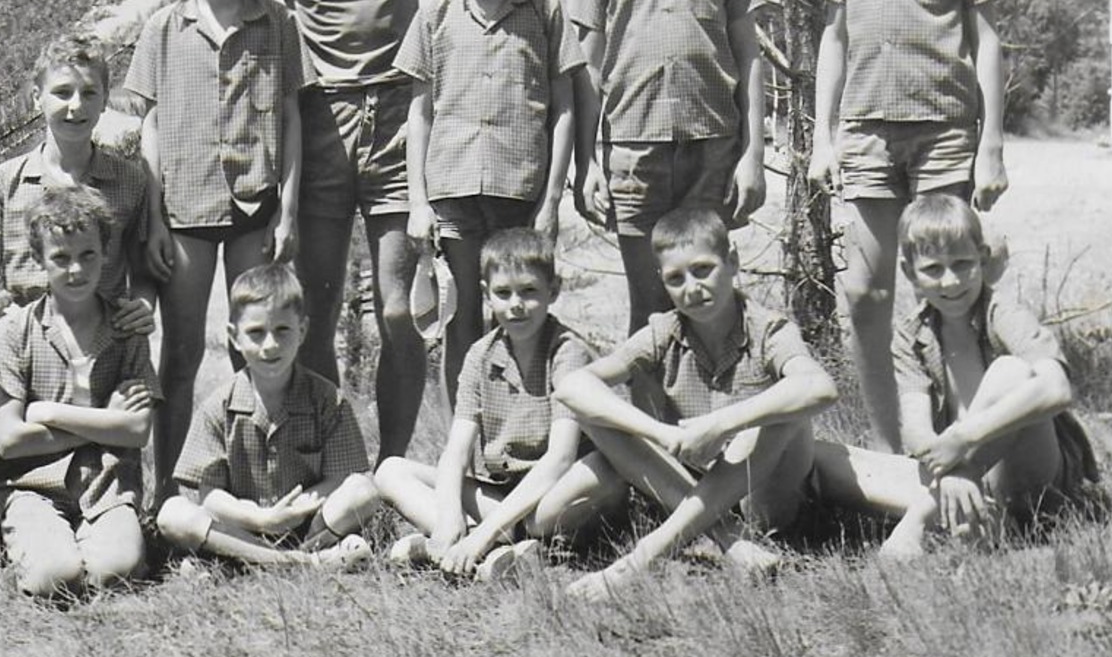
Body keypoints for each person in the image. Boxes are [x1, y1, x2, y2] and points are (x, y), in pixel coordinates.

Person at [245, 0, 461, 461]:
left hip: (403, 121)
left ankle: (393, 467)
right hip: (320, 125)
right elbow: (242, 16)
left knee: (401, 312)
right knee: (316, 311)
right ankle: (333, 465)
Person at [808, 0, 1013, 452]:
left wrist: (992, 147)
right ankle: (891, 446)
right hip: (865, 133)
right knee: (866, 293)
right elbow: (833, 39)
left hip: (944, 135)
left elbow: (988, 39)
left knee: (945, 288)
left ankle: (962, 444)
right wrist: (823, 137)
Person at [0, 33, 156, 562]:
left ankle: (108, 514)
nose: (75, 106)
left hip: (99, 339)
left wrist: (141, 306)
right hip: (22, 343)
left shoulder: (127, 181)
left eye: (88, 93)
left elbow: (143, 268)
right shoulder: (7, 180)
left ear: (105, 99)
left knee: (116, 423)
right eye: (61, 93)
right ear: (37, 99)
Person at [115, 0, 304, 501]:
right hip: (186, 209)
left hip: (256, 207)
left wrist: (290, 209)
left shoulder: (274, 23)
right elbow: (148, 123)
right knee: (181, 354)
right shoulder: (165, 29)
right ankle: (168, 493)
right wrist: (154, 220)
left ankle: (254, 486)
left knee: (257, 348)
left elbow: (291, 116)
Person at [555, 206, 837, 601]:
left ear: (732, 261)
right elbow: (571, 386)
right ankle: (728, 536)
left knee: (776, 410)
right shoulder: (664, 331)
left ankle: (639, 559)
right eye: (676, 278)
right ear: (663, 282)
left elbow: (820, 387)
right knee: (595, 414)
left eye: (703, 269)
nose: (691, 287)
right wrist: (659, 432)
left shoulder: (767, 327)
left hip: (768, 497)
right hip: (695, 486)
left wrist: (723, 423)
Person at [570, 0, 766, 336]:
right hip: (635, 152)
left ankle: (716, 416)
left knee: (709, 298)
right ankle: (652, 420)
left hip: (712, 148)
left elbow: (749, 56)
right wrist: (586, 164)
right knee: (651, 308)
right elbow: (587, 69)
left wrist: (752, 156)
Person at [393, 0, 582, 401]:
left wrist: (550, 202)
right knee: (461, 320)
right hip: (452, 192)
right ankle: (466, 444)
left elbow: (564, 109)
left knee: (519, 315)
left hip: (517, 191)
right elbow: (420, 110)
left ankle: (522, 430)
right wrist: (418, 203)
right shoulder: (436, 9)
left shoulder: (545, 9)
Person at [374, 229, 627, 580]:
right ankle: (484, 544)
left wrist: (484, 532)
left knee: (591, 480)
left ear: (553, 291)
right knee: (390, 471)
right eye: (503, 293)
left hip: (554, 491)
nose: (516, 304)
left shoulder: (567, 351)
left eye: (529, 291)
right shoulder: (480, 355)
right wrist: (448, 514)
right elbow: (457, 452)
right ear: (486, 295)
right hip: (503, 493)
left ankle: (485, 543)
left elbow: (561, 458)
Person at [872, 195, 1102, 556]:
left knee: (1010, 370)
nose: (950, 282)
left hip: (1033, 473)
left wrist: (963, 443)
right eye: (933, 268)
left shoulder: (1003, 314)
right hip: (951, 469)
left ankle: (916, 523)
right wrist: (949, 465)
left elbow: (1057, 388)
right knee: (828, 458)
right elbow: (916, 430)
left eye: (963, 264)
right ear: (908, 272)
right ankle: (982, 517)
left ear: (982, 257)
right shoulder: (911, 333)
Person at [0, 186, 158, 597]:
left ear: (105, 253)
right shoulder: (14, 331)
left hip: (105, 481)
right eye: (61, 258)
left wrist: (47, 413)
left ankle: (89, 536)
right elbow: (9, 441)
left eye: (87, 255)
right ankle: (24, 538)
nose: (76, 270)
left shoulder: (126, 329)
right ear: (40, 259)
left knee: (118, 573)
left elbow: (137, 431)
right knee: (54, 581)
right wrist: (105, 420)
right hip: (31, 483)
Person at [156, 263, 380, 568]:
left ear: (301, 330)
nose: (270, 345)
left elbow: (341, 479)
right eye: (256, 333)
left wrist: (293, 512)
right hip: (242, 523)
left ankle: (246, 562)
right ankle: (301, 562)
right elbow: (209, 494)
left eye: (282, 330)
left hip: (309, 524)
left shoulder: (327, 399)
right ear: (234, 337)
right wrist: (262, 518)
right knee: (173, 512)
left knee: (363, 490)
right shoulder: (217, 406)